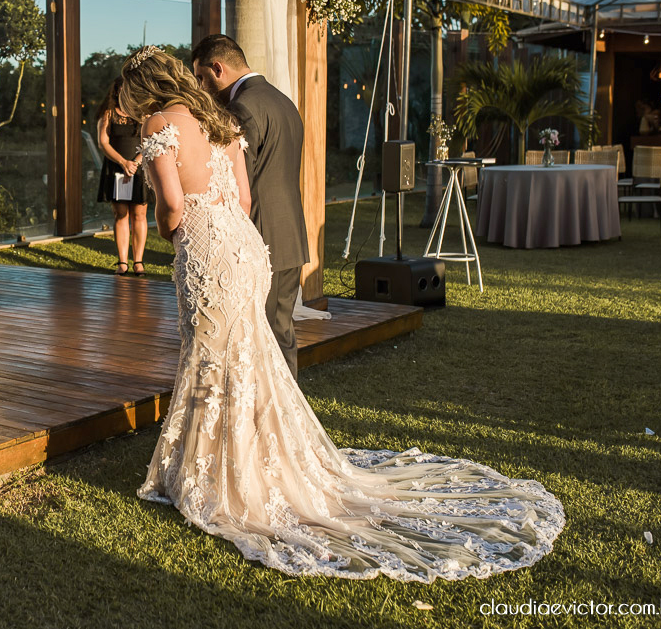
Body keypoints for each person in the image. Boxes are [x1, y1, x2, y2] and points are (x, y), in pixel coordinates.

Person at [120, 45, 564, 582]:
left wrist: (179, 232)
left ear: (145, 86)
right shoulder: (217, 118)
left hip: (209, 252)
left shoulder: (157, 124)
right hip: (247, 246)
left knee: (212, 357)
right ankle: (249, 462)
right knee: (249, 356)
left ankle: (214, 475)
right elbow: (240, 197)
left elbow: (169, 202)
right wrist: (218, 226)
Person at [191, 35, 308, 374]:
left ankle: (274, 420)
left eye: (201, 78)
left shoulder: (239, 109)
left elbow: (236, 181)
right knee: (281, 331)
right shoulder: (283, 101)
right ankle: (287, 417)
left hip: (260, 237)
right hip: (290, 234)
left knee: (259, 336)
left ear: (218, 68)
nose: (202, 87)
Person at [95, 76, 149, 276]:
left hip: (138, 168)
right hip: (116, 169)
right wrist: (123, 162)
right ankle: (123, 263)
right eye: (122, 89)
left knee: (139, 215)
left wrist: (135, 162)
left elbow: (150, 139)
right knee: (121, 215)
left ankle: (139, 262)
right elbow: (103, 142)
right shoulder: (108, 113)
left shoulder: (142, 113)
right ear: (116, 91)